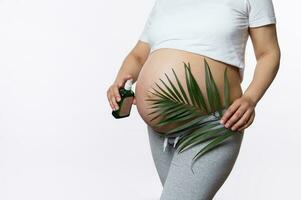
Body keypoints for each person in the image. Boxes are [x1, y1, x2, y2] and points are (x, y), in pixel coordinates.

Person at [107, 0, 281, 199]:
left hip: (211, 125)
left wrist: (251, 97)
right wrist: (120, 80)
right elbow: (138, 55)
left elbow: (268, 53)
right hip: (159, 134)